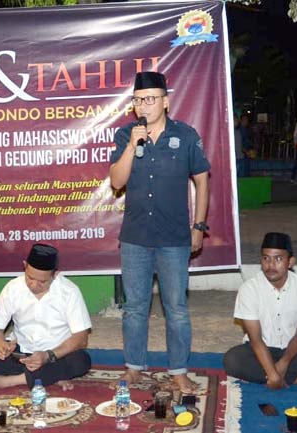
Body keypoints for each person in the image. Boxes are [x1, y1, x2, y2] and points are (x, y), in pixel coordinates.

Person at [109, 71, 210, 394]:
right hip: (135, 237)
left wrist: (199, 226)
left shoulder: (186, 135)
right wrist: (133, 146)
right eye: (138, 100)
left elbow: (202, 180)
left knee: (176, 308)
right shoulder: (126, 135)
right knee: (135, 306)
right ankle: (134, 367)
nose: (144, 105)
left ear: (166, 101)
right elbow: (116, 182)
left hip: (174, 238)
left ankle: (179, 371)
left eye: (150, 99)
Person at [0, 243, 92, 391]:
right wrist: (3, 346)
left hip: (54, 355)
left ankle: (8, 381)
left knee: (81, 361)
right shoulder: (13, 288)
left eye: (42, 281)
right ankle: (49, 377)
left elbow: (81, 339)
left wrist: (47, 356)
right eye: (30, 278)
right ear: (24, 266)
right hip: (21, 354)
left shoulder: (69, 291)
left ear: (55, 274)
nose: (34, 285)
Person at [223, 233, 297, 388]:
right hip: (261, 351)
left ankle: (272, 377)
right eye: (266, 258)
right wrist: (272, 373)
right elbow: (256, 339)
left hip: (296, 351)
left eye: (278, 259)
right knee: (232, 361)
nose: (271, 265)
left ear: (290, 262)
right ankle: (296, 378)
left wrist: (283, 364)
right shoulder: (249, 289)